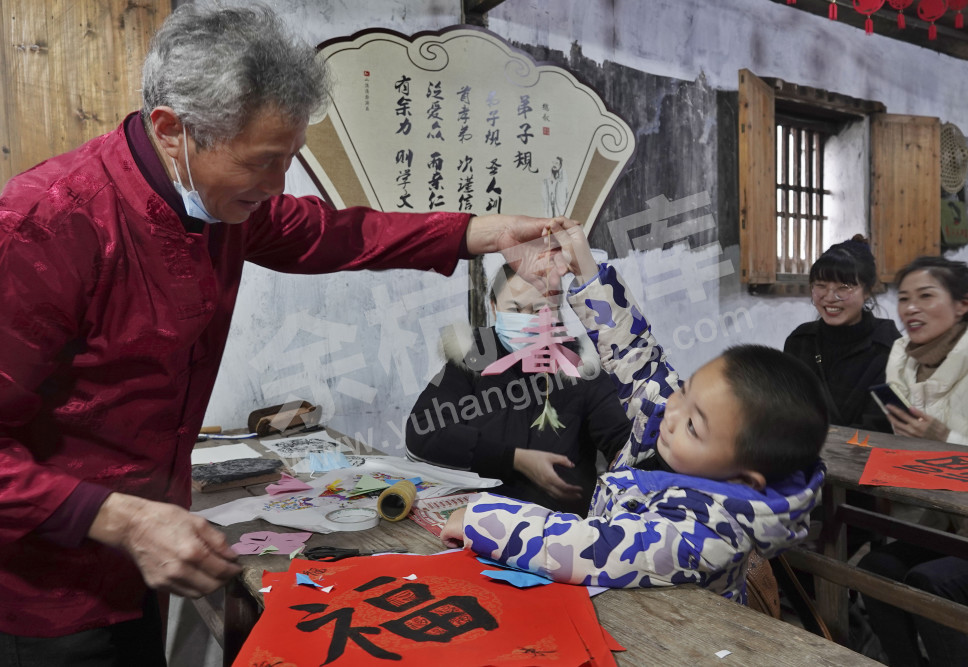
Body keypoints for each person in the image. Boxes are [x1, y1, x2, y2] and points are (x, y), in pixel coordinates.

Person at [0, 4, 573, 663]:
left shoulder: (220, 203)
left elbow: (337, 234)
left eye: (289, 161)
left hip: (146, 567)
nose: (276, 187)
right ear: (172, 130)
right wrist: (119, 516)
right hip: (46, 593)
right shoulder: (46, 225)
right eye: (263, 162)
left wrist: (484, 232)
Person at [440, 228, 828, 599]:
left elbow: (589, 547)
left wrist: (484, 520)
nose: (672, 412)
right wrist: (587, 270)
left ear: (744, 479)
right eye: (686, 391)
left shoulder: (705, 532)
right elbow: (640, 362)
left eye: (693, 425)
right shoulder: (681, 430)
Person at [858, 256, 968, 667]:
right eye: (903, 298)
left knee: (931, 583)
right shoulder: (903, 357)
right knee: (874, 568)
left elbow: (946, 439)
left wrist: (949, 439)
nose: (911, 309)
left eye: (926, 296)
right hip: (943, 519)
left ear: (962, 304)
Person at [405, 263, 631, 516]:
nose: (526, 318)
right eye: (514, 309)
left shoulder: (580, 366)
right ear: (493, 307)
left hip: (556, 531)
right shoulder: (475, 356)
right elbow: (422, 430)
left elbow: (625, 444)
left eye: (538, 309)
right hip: (477, 522)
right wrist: (514, 459)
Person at [783, 236, 900, 432]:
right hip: (802, 456)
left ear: (868, 291)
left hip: (863, 458)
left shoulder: (889, 349)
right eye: (820, 285)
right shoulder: (800, 341)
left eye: (843, 288)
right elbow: (784, 409)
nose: (830, 298)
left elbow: (881, 428)